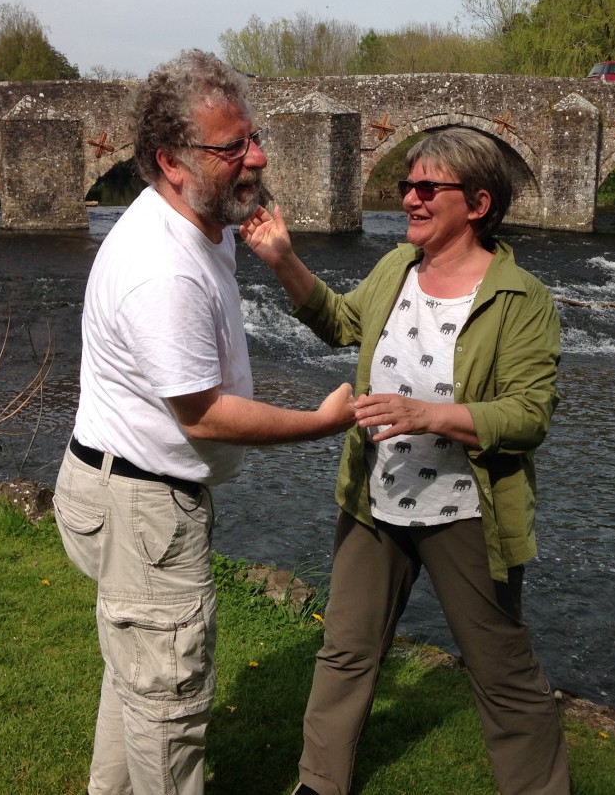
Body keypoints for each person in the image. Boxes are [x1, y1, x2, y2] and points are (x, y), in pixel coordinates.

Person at [52, 49, 355, 795]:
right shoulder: (164, 268)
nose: (255, 157)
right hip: (144, 507)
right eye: (232, 148)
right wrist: (322, 423)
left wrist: (277, 255)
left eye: (252, 138)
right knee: (169, 707)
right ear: (171, 161)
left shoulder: (196, 223)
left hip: (124, 490)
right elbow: (205, 414)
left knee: (139, 681)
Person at [240, 127, 571, 795]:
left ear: (477, 203)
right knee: (346, 650)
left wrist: (430, 416)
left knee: (502, 671)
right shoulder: (397, 268)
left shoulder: (521, 299)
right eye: (406, 186)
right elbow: (341, 322)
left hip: (467, 513)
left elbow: (529, 417)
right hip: (375, 499)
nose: (411, 200)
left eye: (427, 188)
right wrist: (282, 259)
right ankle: (319, 784)